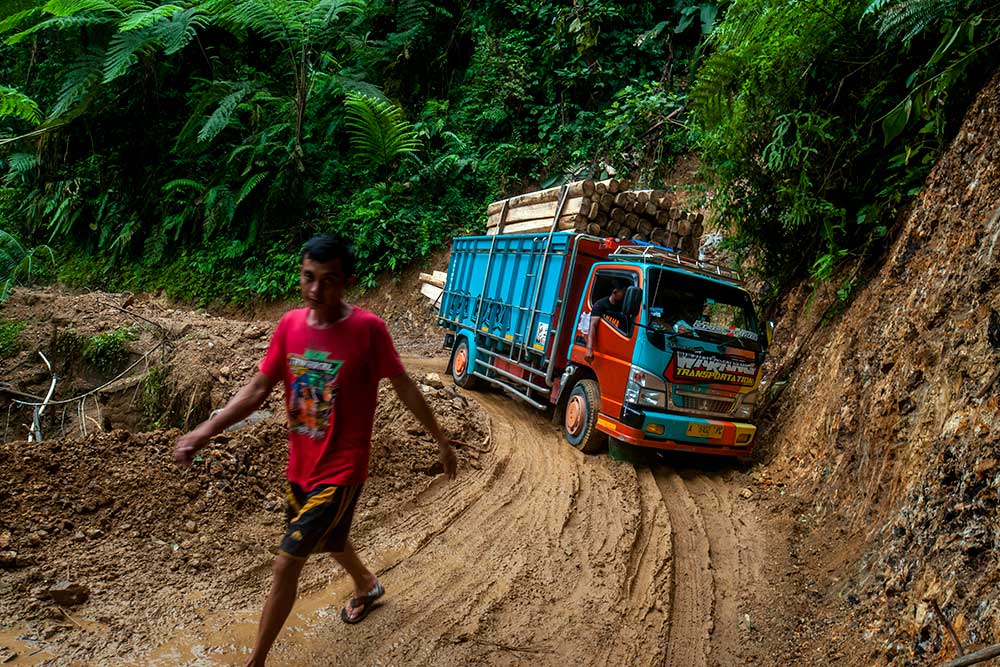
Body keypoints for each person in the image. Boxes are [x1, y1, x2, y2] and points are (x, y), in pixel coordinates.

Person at [173, 234, 458, 667]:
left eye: (328, 281)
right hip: (301, 468)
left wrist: (440, 439)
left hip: (342, 470)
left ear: (347, 281)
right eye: (308, 277)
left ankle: (256, 663)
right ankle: (366, 585)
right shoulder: (289, 326)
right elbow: (256, 390)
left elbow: (404, 387)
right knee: (330, 538)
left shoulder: (368, 331)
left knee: (287, 563)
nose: (314, 291)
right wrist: (203, 431)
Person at [584, 278, 630, 362]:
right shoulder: (600, 305)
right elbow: (593, 326)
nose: (625, 295)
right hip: (604, 346)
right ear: (615, 292)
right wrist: (589, 349)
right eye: (623, 292)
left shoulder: (623, 306)